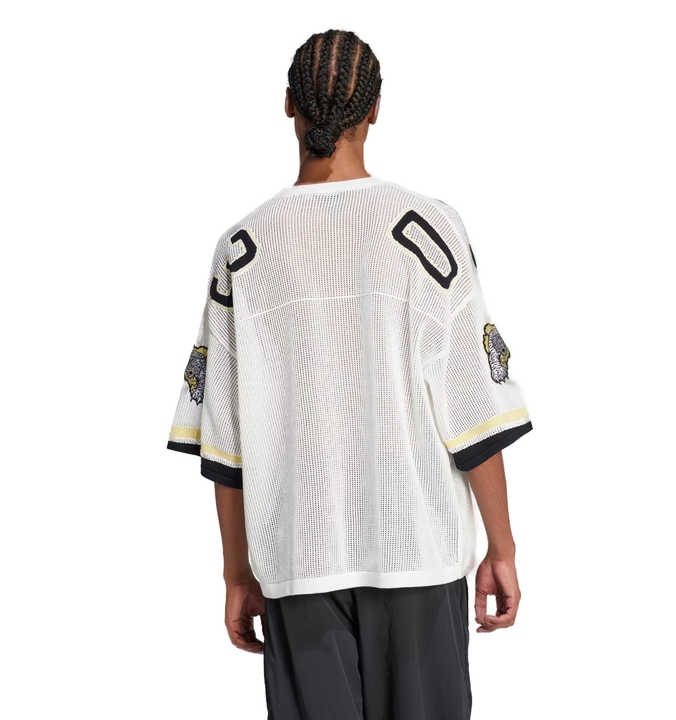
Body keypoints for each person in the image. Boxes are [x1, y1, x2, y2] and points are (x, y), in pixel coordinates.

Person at [167, 29, 532, 720]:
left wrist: (237, 571)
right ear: (375, 110)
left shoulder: (243, 250)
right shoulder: (428, 231)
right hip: (419, 554)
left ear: (288, 104)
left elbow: (226, 440)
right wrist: (502, 547)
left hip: (297, 562)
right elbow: (473, 412)